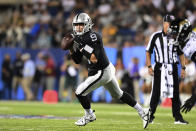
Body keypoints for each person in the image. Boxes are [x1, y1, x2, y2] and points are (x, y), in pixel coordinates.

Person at [67, 13, 149, 128]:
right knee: (118, 94)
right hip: (105, 69)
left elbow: (94, 59)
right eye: (76, 25)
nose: (78, 27)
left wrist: (81, 46)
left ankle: (89, 115)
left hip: (102, 71)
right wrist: (71, 48)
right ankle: (143, 111)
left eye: (81, 24)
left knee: (79, 91)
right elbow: (77, 60)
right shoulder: (80, 38)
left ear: (87, 25)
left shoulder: (93, 36)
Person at [146, 14, 188, 124]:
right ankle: (150, 115)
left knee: (175, 93)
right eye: (170, 23)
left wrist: (183, 68)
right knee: (155, 92)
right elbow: (148, 51)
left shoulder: (175, 37)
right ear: (164, 24)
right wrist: (149, 66)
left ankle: (178, 117)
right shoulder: (155, 36)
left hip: (172, 67)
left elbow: (181, 53)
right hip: (159, 66)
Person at [167, 18, 196, 113]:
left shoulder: (191, 49)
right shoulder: (190, 39)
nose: (172, 37)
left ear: (182, 33)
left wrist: (194, 97)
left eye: (174, 34)